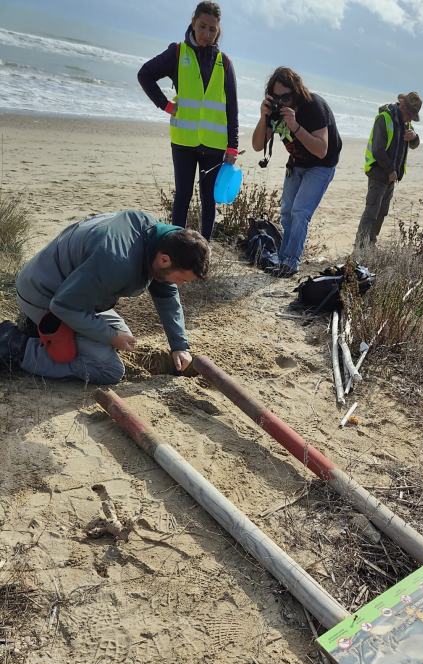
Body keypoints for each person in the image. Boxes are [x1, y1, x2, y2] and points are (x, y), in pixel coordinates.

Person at [0, 210, 210, 385]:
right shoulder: (118, 260)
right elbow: (63, 305)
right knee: (109, 369)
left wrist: (179, 345)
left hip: (78, 293)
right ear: (164, 260)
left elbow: (166, 293)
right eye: (182, 279)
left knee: (123, 335)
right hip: (43, 294)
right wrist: (110, 337)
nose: (180, 285)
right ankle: (16, 345)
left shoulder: (158, 239)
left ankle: (42, 332)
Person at [138, 2, 239, 240]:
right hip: (184, 141)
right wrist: (165, 105)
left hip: (214, 145)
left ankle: (204, 250)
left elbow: (232, 108)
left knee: (208, 200)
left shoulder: (224, 62)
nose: (206, 33)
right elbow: (145, 74)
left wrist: (232, 146)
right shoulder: (177, 52)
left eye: (212, 29)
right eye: (202, 26)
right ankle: (175, 246)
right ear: (193, 23)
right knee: (182, 196)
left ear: (218, 31)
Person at [251, 67, 342, 278]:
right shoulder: (275, 111)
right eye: (276, 97)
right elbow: (257, 145)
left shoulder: (314, 106)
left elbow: (321, 150)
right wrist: (263, 117)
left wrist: (295, 126)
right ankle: (283, 260)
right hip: (297, 163)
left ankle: (291, 263)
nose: (281, 101)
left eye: (286, 96)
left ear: (297, 92)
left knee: (300, 212)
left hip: (322, 165)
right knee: (287, 212)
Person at [355, 92, 422, 248]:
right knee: (371, 211)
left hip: (392, 177)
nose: (411, 119)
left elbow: (413, 145)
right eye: (410, 114)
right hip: (378, 172)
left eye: (413, 116)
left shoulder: (406, 123)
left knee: (382, 212)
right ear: (402, 107)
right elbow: (378, 150)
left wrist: (415, 137)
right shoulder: (384, 119)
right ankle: (360, 246)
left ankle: (371, 243)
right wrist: (391, 170)